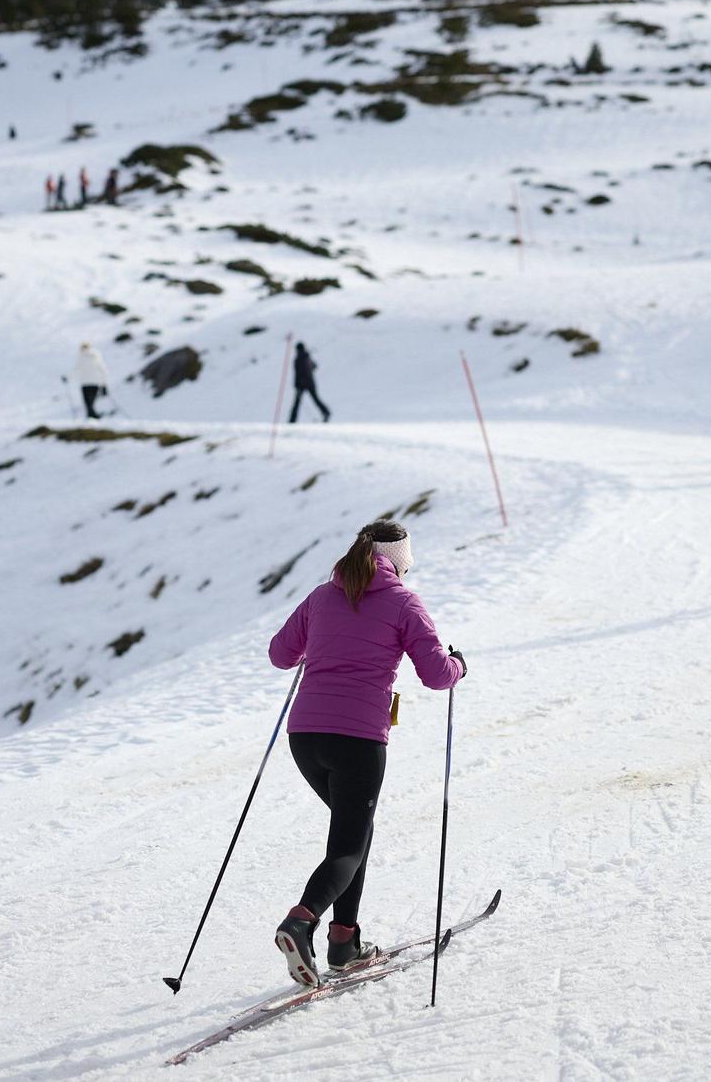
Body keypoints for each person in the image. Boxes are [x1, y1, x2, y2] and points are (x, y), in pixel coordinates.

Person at [268, 520, 464, 988]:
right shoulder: (403, 602)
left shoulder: (321, 597)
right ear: (399, 562)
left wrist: (320, 645)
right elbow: (437, 675)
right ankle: (301, 920)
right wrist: (458, 665)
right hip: (357, 739)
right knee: (350, 845)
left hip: (306, 737)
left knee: (354, 831)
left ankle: (344, 941)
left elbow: (280, 655)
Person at [291, 341, 331, 423]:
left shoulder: (299, 359)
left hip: (302, 384)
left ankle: (292, 421)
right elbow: (314, 366)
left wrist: (298, 383)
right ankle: (326, 412)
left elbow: (299, 373)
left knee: (297, 403)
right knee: (315, 399)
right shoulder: (307, 357)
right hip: (310, 383)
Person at [74, 343, 111, 419]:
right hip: (95, 383)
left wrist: (67, 378)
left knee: (88, 402)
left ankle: (92, 416)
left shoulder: (81, 358)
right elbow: (103, 370)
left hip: (85, 383)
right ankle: (92, 416)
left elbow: (75, 369)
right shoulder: (96, 356)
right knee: (91, 401)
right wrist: (104, 384)